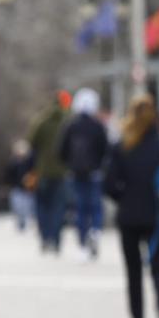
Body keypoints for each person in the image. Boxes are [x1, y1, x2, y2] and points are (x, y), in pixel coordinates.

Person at [103, 93, 159, 318]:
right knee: (158, 269)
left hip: (129, 216)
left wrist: (124, 197)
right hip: (157, 215)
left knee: (133, 272)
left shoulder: (122, 145)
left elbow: (108, 184)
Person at [61, 87, 110, 260]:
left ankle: (82, 243)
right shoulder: (98, 126)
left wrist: (69, 165)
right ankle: (95, 230)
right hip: (95, 173)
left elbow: (61, 150)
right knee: (95, 206)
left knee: (80, 208)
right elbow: (106, 149)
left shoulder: (71, 126)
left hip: (76, 173)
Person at [28, 91, 71, 253]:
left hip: (43, 171)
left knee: (43, 206)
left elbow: (31, 142)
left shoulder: (41, 121)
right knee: (58, 207)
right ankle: (57, 239)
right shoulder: (66, 121)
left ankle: (45, 237)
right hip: (61, 172)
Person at [5, 139, 35, 231]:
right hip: (16, 188)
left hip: (27, 189)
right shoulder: (12, 163)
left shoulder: (29, 162)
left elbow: (33, 174)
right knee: (17, 207)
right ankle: (20, 222)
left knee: (27, 207)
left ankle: (27, 221)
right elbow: (8, 176)